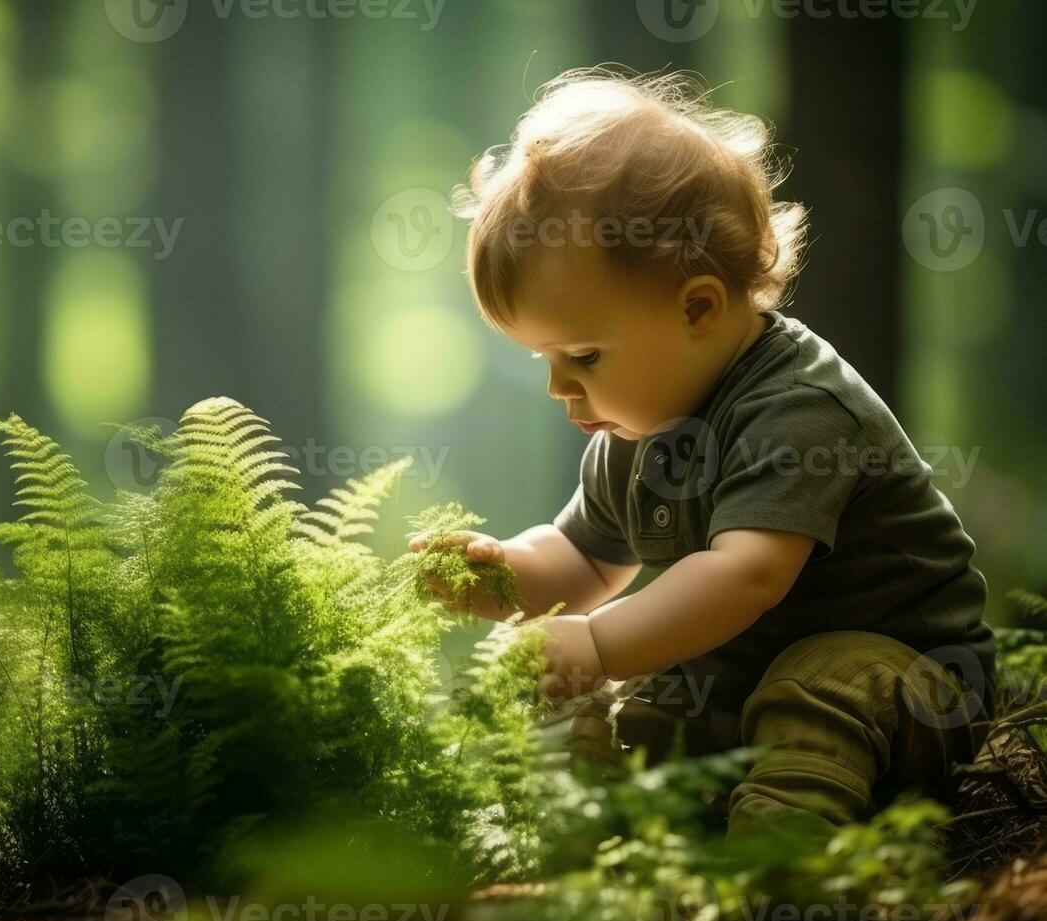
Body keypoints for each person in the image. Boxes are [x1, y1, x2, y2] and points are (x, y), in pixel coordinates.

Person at [410, 66, 996, 836]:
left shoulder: (797, 409)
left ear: (696, 307)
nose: (560, 388)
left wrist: (596, 641)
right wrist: (506, 578)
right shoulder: (636, 424)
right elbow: (585, 560)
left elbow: (745, 576)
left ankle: (782, 866)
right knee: (629, 704)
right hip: (739, 685)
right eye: (542, 360)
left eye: (582, 356)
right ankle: (590, 841)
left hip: (908, 677)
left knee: (818, 689)